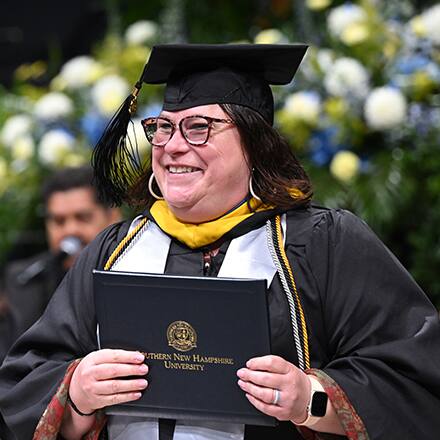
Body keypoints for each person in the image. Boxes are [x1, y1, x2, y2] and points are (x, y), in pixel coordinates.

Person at [0, 44, 439, 440]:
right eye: (163, 128)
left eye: (198, 127)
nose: (172, 146)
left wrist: (313, 398)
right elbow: (26, 379)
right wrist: (76, 394)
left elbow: (414, 377)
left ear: (254, 143)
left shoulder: (323, 243)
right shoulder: (115, 248)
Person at [0, 165, 121, 363]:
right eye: (59, 221)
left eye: (82, 218)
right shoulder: (23, 279)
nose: (70, 230)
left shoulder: (132, 270)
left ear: (112, 217)